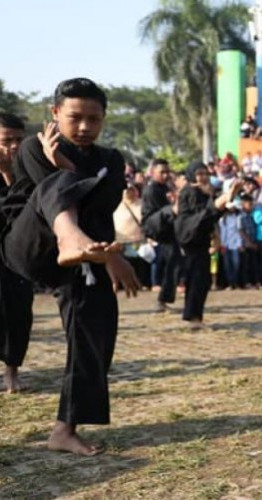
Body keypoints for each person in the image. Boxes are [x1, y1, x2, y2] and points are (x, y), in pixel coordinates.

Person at [0, 78, 139, 455]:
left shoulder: (111, 160)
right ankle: (69, 238)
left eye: (93, 119)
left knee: (97, 324)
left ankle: (65, 428)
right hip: (28, 244)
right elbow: (55, 193)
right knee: (59, 181)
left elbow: (102, 206)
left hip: (84, 252)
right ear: (55, 113)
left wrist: (109, 254)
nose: (83, 127)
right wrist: (62, 167)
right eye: (75, 117)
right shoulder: (32, 146)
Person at [174, 162, 241, 329]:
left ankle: (195, 315)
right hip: (191, 238)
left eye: (205, 173)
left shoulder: (203, 193)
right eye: (199, 174)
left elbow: (210, 217)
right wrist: (220, 201)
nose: (203, 177)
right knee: (196, 279)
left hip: (201, 239)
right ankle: (193, 317)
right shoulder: (190, 191)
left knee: (202, 280)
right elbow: (201, 216)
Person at [0, 113, 34, 393]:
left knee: (18, 314)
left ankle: (12, 371)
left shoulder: (29, 173)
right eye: (6, 140)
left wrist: (10, 175)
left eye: (18, 140)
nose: (12, 146)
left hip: (17, 258)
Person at [141, 158, 180, 311]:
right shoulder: (152, 190)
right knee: (169, 265)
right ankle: (162, 300)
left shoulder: (165, 188)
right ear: (152, 173)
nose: (165, 175)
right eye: (161, 172)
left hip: (168, 231)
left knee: (171, 265)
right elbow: (158, 213)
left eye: (167, 172)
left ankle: (164, 299)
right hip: (159, 230)